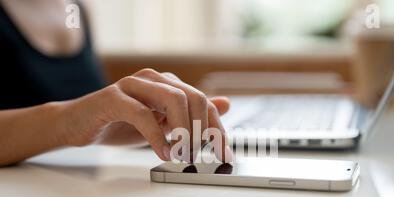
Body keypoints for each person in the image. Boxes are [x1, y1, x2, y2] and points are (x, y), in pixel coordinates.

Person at [0, 0, 232, 167]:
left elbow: (87, 110)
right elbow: (74, 116)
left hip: (83, 191)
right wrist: (68, 121)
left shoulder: (78, 8)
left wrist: (119, 121)